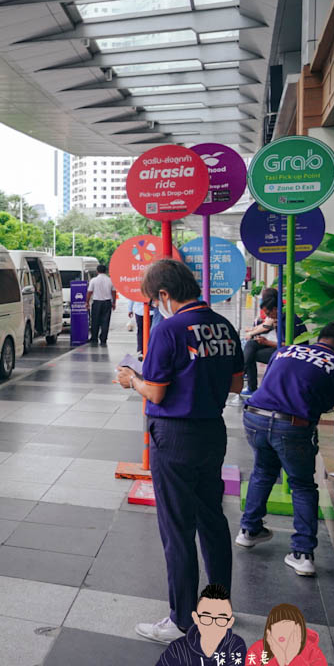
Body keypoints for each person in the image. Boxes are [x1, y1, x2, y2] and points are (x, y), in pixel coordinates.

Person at [116, 259, 243, 643]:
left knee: (177, 529)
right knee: (212, 521)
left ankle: (182, 620)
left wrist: (131, 379)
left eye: (154, 301)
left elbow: (155, 391)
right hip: (212, 433)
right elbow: (236, 384)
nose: (155, 308)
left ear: (165, 295)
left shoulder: (168, 329)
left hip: (174, 436)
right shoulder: (224, 325)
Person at [236, 322, 334, 576]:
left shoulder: (284, 351)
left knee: (263, 470)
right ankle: (302, 553)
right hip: (292, 427)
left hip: (255, 417)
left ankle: (249, 530)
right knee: (302, 485)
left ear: (321, 337)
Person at [142, 584, 246, 666]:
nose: (213, 625)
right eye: (206, 618)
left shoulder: (235, 646)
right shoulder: (179, 648)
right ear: (196, 618)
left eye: (221, 619)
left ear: (230, 622)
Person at [246, 603, 334, 666]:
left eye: (287, 627)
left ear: (299, 631)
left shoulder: (312, 652)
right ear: (269, 631)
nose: (282, 632)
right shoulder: (257, 650)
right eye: (277, 626)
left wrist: (293, 660)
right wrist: (278, 662)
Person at [87, 263, 117, 345]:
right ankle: (103, 338)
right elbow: (114, 292)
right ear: (106, 271)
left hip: (96, 302)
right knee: (105, 321)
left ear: (97, 271)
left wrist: (87, 302)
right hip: (107, 303)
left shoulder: (93, 280)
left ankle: (94, 338)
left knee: (95, 320)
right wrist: (114, 302)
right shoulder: (110, 280)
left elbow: (89, 292)